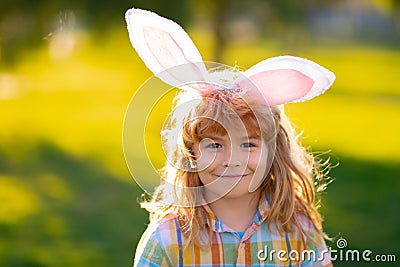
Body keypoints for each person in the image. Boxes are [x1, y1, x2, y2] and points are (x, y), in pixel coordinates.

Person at [125, 8, 335, 267]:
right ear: (191, 153)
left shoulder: (298, 230)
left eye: (248, 144)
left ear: (273, 150)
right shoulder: (168, 239)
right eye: (214, 145)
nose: (232, 161)